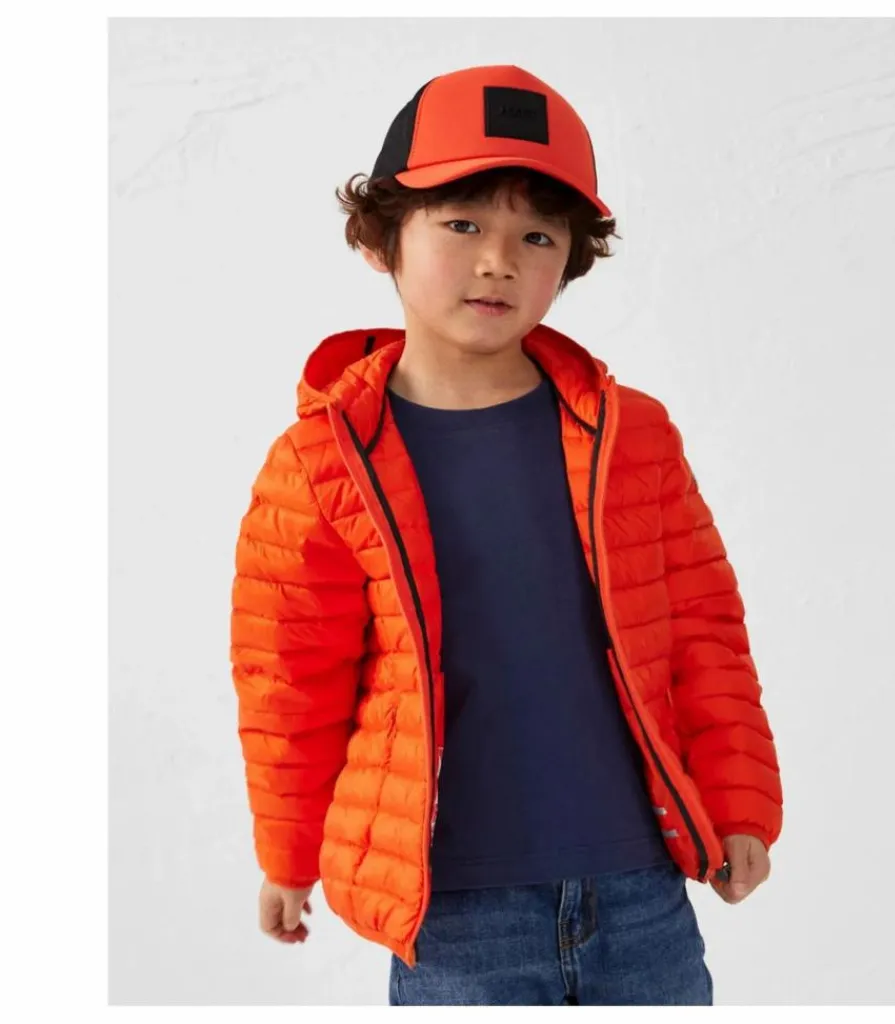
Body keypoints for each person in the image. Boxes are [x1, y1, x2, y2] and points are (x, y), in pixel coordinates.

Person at [229, 64, 783, 1006]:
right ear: (380, 238)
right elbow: (290, 677)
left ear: (570, 260)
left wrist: (739, 805)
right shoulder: (322, 462)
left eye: (537, 235)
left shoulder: (632, 435)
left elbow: (703, 632)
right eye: (461, 224)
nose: (499, 260)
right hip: (454, 913)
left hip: (641, 888)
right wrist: (287, 854)